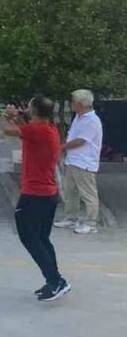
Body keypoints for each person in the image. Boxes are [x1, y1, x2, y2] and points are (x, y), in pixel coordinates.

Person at [0, 98, 69, 301]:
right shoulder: (48, 129)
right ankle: (55, 280)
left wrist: (6, 115)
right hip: (46, 194)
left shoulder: (37, 130)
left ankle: (55, 281)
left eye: (29, 107)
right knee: (41, 239)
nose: (26, 109)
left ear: (35, 110)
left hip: (35, 194)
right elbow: (25, 129)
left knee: (28, 237)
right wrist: (18, 117)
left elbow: (7, 129)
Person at [55, 89, 103, 235]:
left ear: (80, 103)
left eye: (73, 102)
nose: (71, 104)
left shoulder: (92, 120)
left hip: (84, 162)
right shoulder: (78, 117)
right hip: (73, 160)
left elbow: (81, 141)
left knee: (88, 194)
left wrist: (61, 147)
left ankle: (91, 223)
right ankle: (71, 217)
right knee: (70, 191)